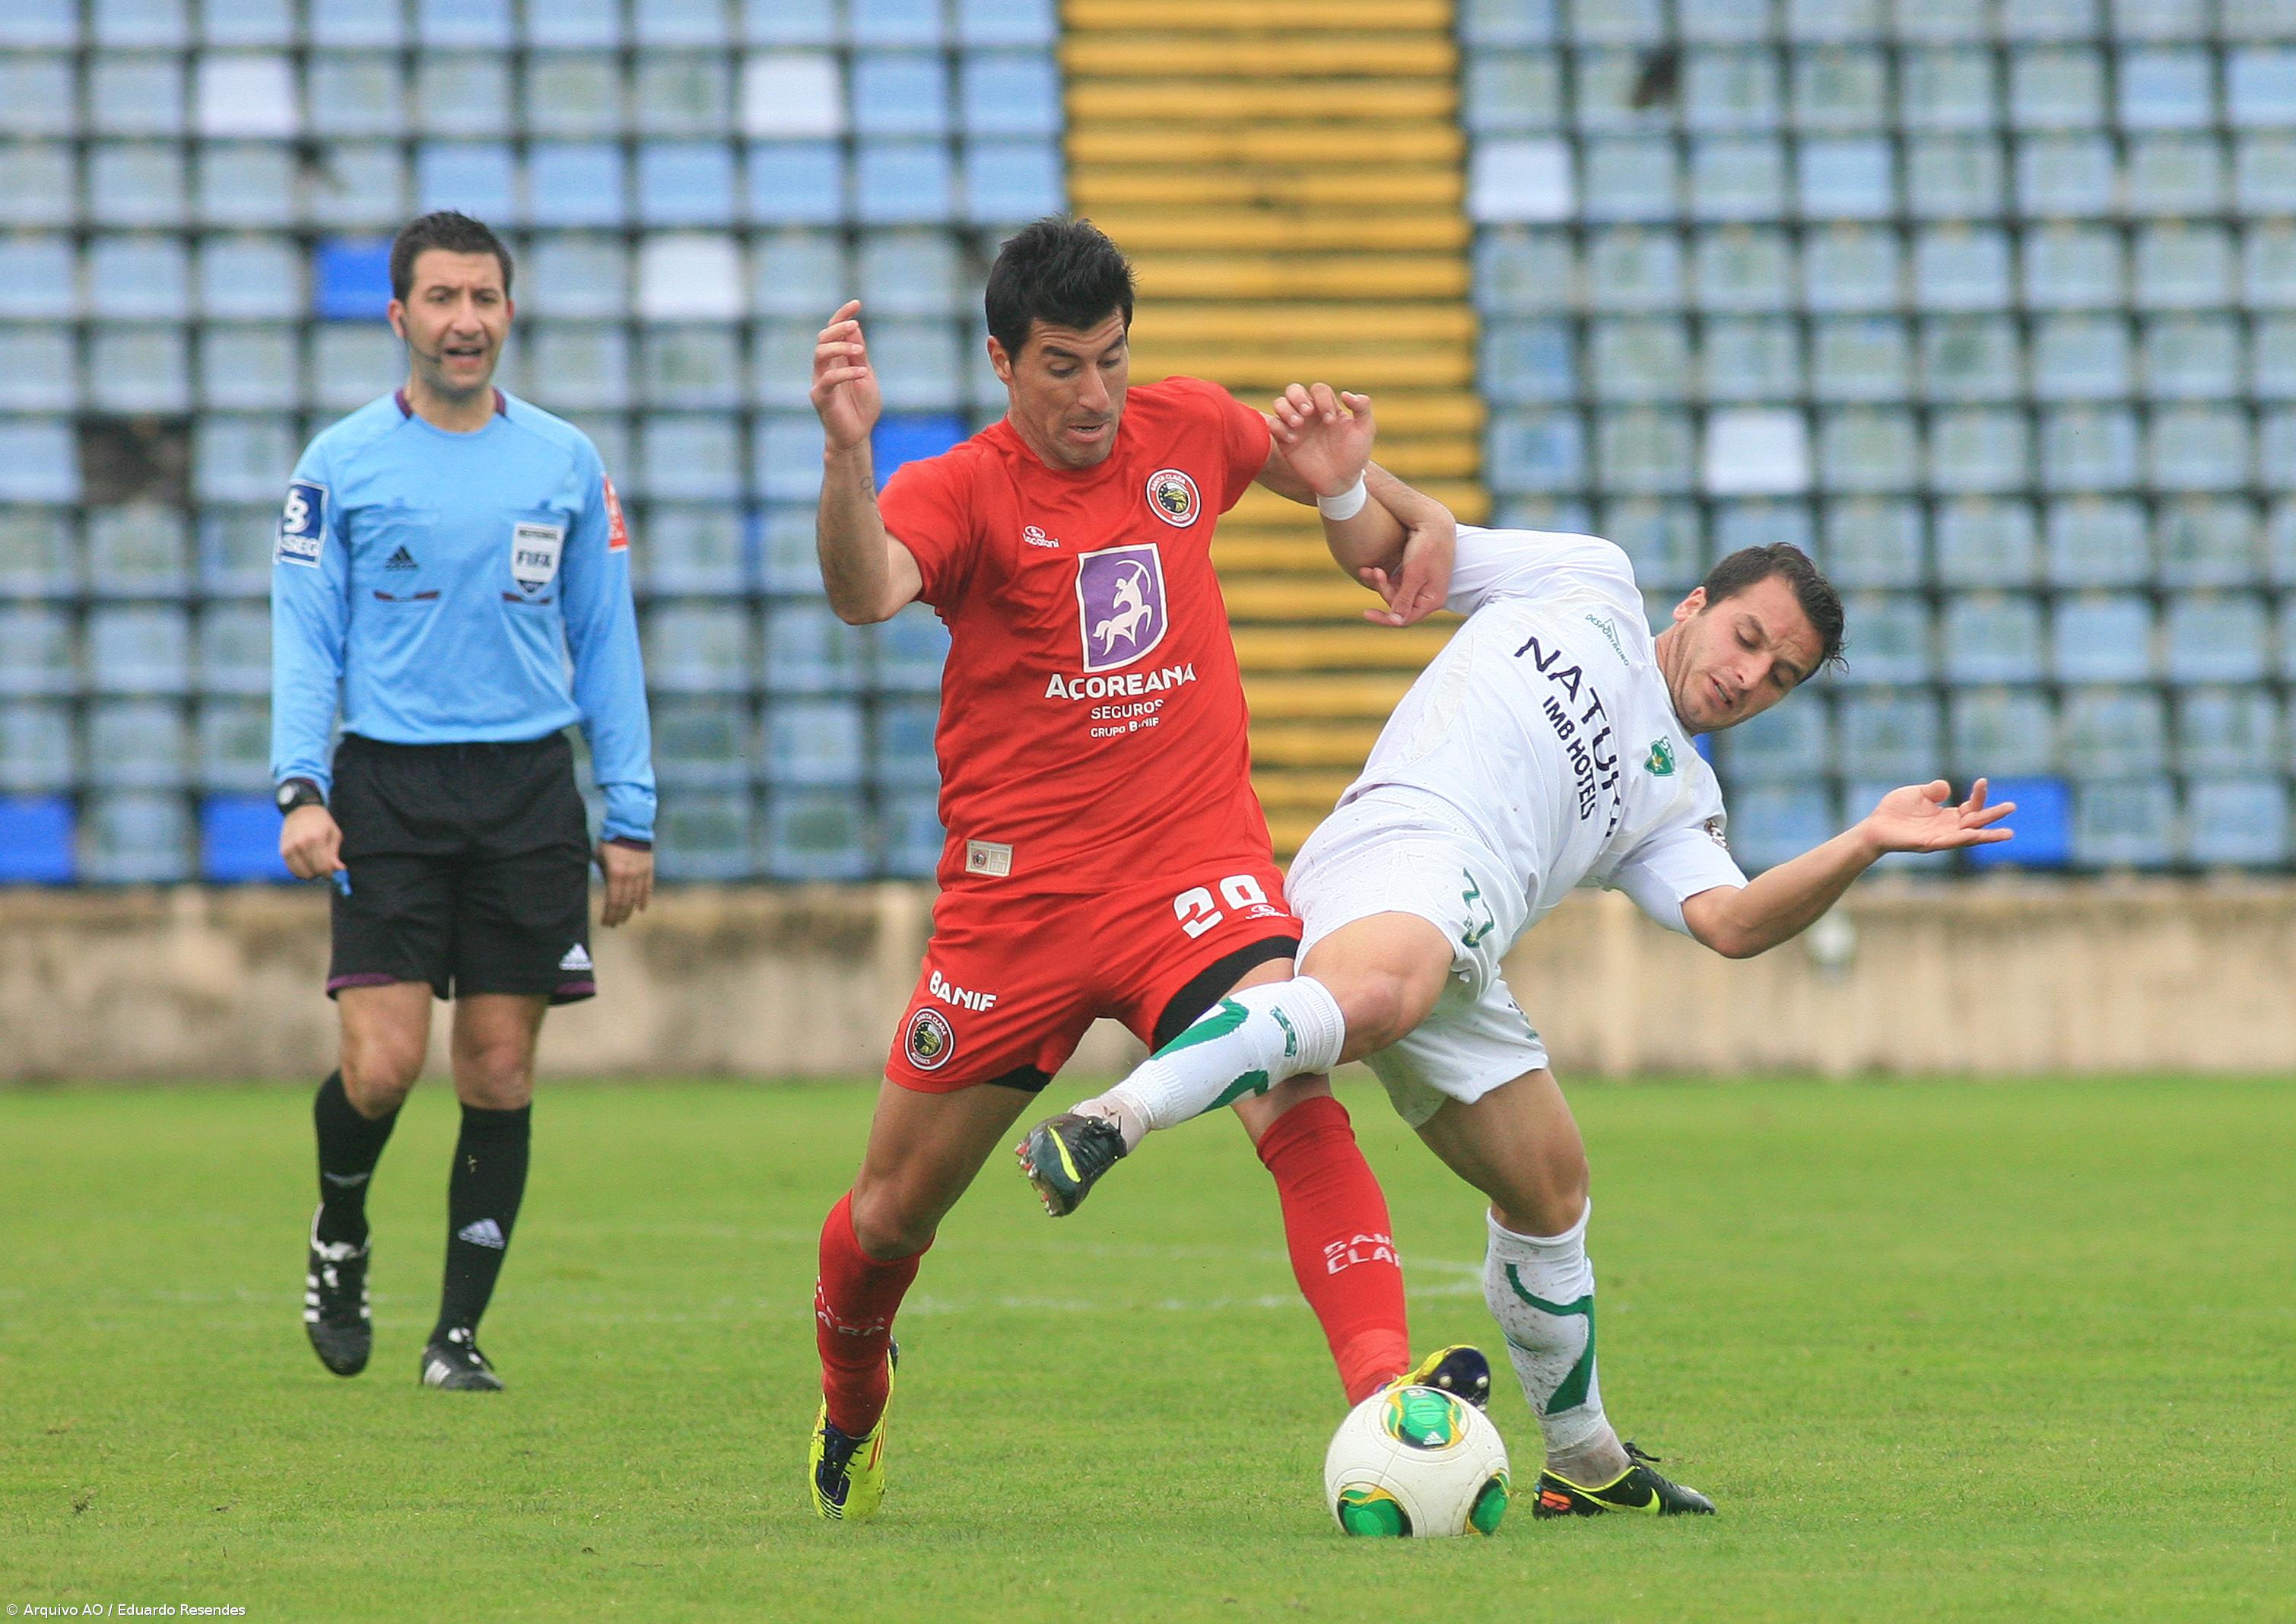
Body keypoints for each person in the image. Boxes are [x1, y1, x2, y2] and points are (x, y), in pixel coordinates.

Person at [1022, 399, 2014, 1518]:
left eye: (1779, 676)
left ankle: (1585, 1465)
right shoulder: (1590, 579)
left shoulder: (1681, 798)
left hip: (1469, 943)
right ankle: (1116, 1118)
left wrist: (1866, 840)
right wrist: (1356, 489)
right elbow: (1397, 557)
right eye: (1747, 638)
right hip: (1402, 843)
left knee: (1550, 1188)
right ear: (1696, 604)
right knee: (1382, 992)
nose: (1748, 678)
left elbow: (1733, 924)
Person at [805, 216, 1478, 1521]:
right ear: (1003, 362)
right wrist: (846, 455)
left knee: (1295, 1084)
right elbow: (862, 590)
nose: (1097, 397)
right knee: (888, 1216)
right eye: (1063, 366)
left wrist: (1383, 495)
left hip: (1192, 873)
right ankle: (851, 1402)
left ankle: (1389, 1399)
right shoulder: (960, 488)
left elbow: (1370, 535)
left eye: (1113, 359)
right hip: (1022, 906)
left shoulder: (1189, 429)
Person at [273, 211, 656, 1393]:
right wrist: (303, 784)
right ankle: (340, 1232)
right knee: (384, 1067)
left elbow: (606, 640)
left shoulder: (563, 462)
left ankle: (456, 1336)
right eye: (441, 299)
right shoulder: (339, 464)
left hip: (528, 790)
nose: (465, 321)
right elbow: (306, 635)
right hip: (388, 785)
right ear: (400, 317)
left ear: (508, 310)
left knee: (497, 1070)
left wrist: (629, 811)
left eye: (483, 298)